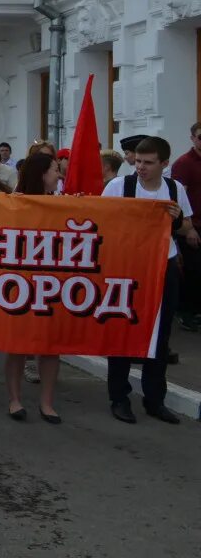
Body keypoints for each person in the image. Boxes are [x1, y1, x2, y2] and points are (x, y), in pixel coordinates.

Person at [103, 136, 193, 425]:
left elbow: (187, 226)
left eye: (148, 163)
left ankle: (155, 399)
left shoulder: (174, 188)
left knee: (161, 331)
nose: (140, 167)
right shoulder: (120, 186)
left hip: (163, 266)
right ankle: (119, 396)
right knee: (123, 330)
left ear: (164, 164)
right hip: (128, 266)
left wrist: (177, 219)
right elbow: (101, 221)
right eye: (138, 161)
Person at [4, 152, 63, 424]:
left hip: (52, 285)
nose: (59, 175)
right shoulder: (13, 204)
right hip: (19, 285)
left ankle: (47, 403)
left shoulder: (63, 205)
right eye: (54, 170)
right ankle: (14, 399)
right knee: (16, 345)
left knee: (51, 346)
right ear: (41, 173)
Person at [169, 123, 201, 332]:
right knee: (193, 271)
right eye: (200, 137)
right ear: (192, 138)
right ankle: (186, 313)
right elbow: (178, 198)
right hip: (194, 226)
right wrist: (188, 228)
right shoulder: (185, 163)